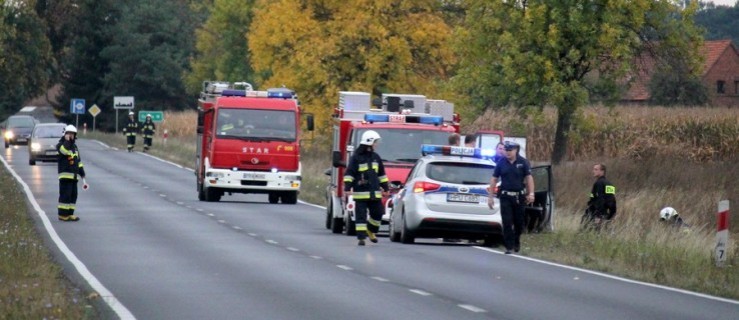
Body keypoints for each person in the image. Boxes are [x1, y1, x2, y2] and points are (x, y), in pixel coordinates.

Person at [343, 130, 389, 246]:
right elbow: (350, 173)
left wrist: (386, 188)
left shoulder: (376, 157)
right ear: (369, 142)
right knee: (361, 216)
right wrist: (348, 187)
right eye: (375, 142)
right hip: (361, 193)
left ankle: (371, 230)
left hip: (374, 193)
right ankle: (361, 238)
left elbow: (381, 175)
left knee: (378, 213)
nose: (376, 144)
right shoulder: (356, 158)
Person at [488, 141, 534, 254]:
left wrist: (531, 193)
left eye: (510, 150)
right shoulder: (501, 163)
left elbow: (529, 178)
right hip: (505, 196)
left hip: (519, 197)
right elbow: (494, 179)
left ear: (516, 150)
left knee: (519, 222)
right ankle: (509, 246)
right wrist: (490, 197)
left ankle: (516, 240)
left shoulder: (523, 162)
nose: (507, 152)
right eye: (506, 150)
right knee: (507, 221)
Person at [56, 125, 88, 222]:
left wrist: (82, 172)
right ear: (64, 134)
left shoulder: (74, 147)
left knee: (73, 195)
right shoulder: (61, 144)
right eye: (69, 134)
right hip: (65, 176)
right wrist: (67, 141)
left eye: (72, 134)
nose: (71, 136)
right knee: (65, 195)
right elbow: (64, 151)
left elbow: (78, 161)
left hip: (74, 176)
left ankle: (70, 214)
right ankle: (62, 214)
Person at [582, 163, 617, 231]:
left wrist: (598, 216)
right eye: (594, 169)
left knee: (587, 233)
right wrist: (612, 214)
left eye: (596, 169)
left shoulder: (598, 183)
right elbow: (612, 201)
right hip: (606, 214)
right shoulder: (610, 184)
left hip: (594, 214)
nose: (593, 171)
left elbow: (599, 200)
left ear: (602, 171)